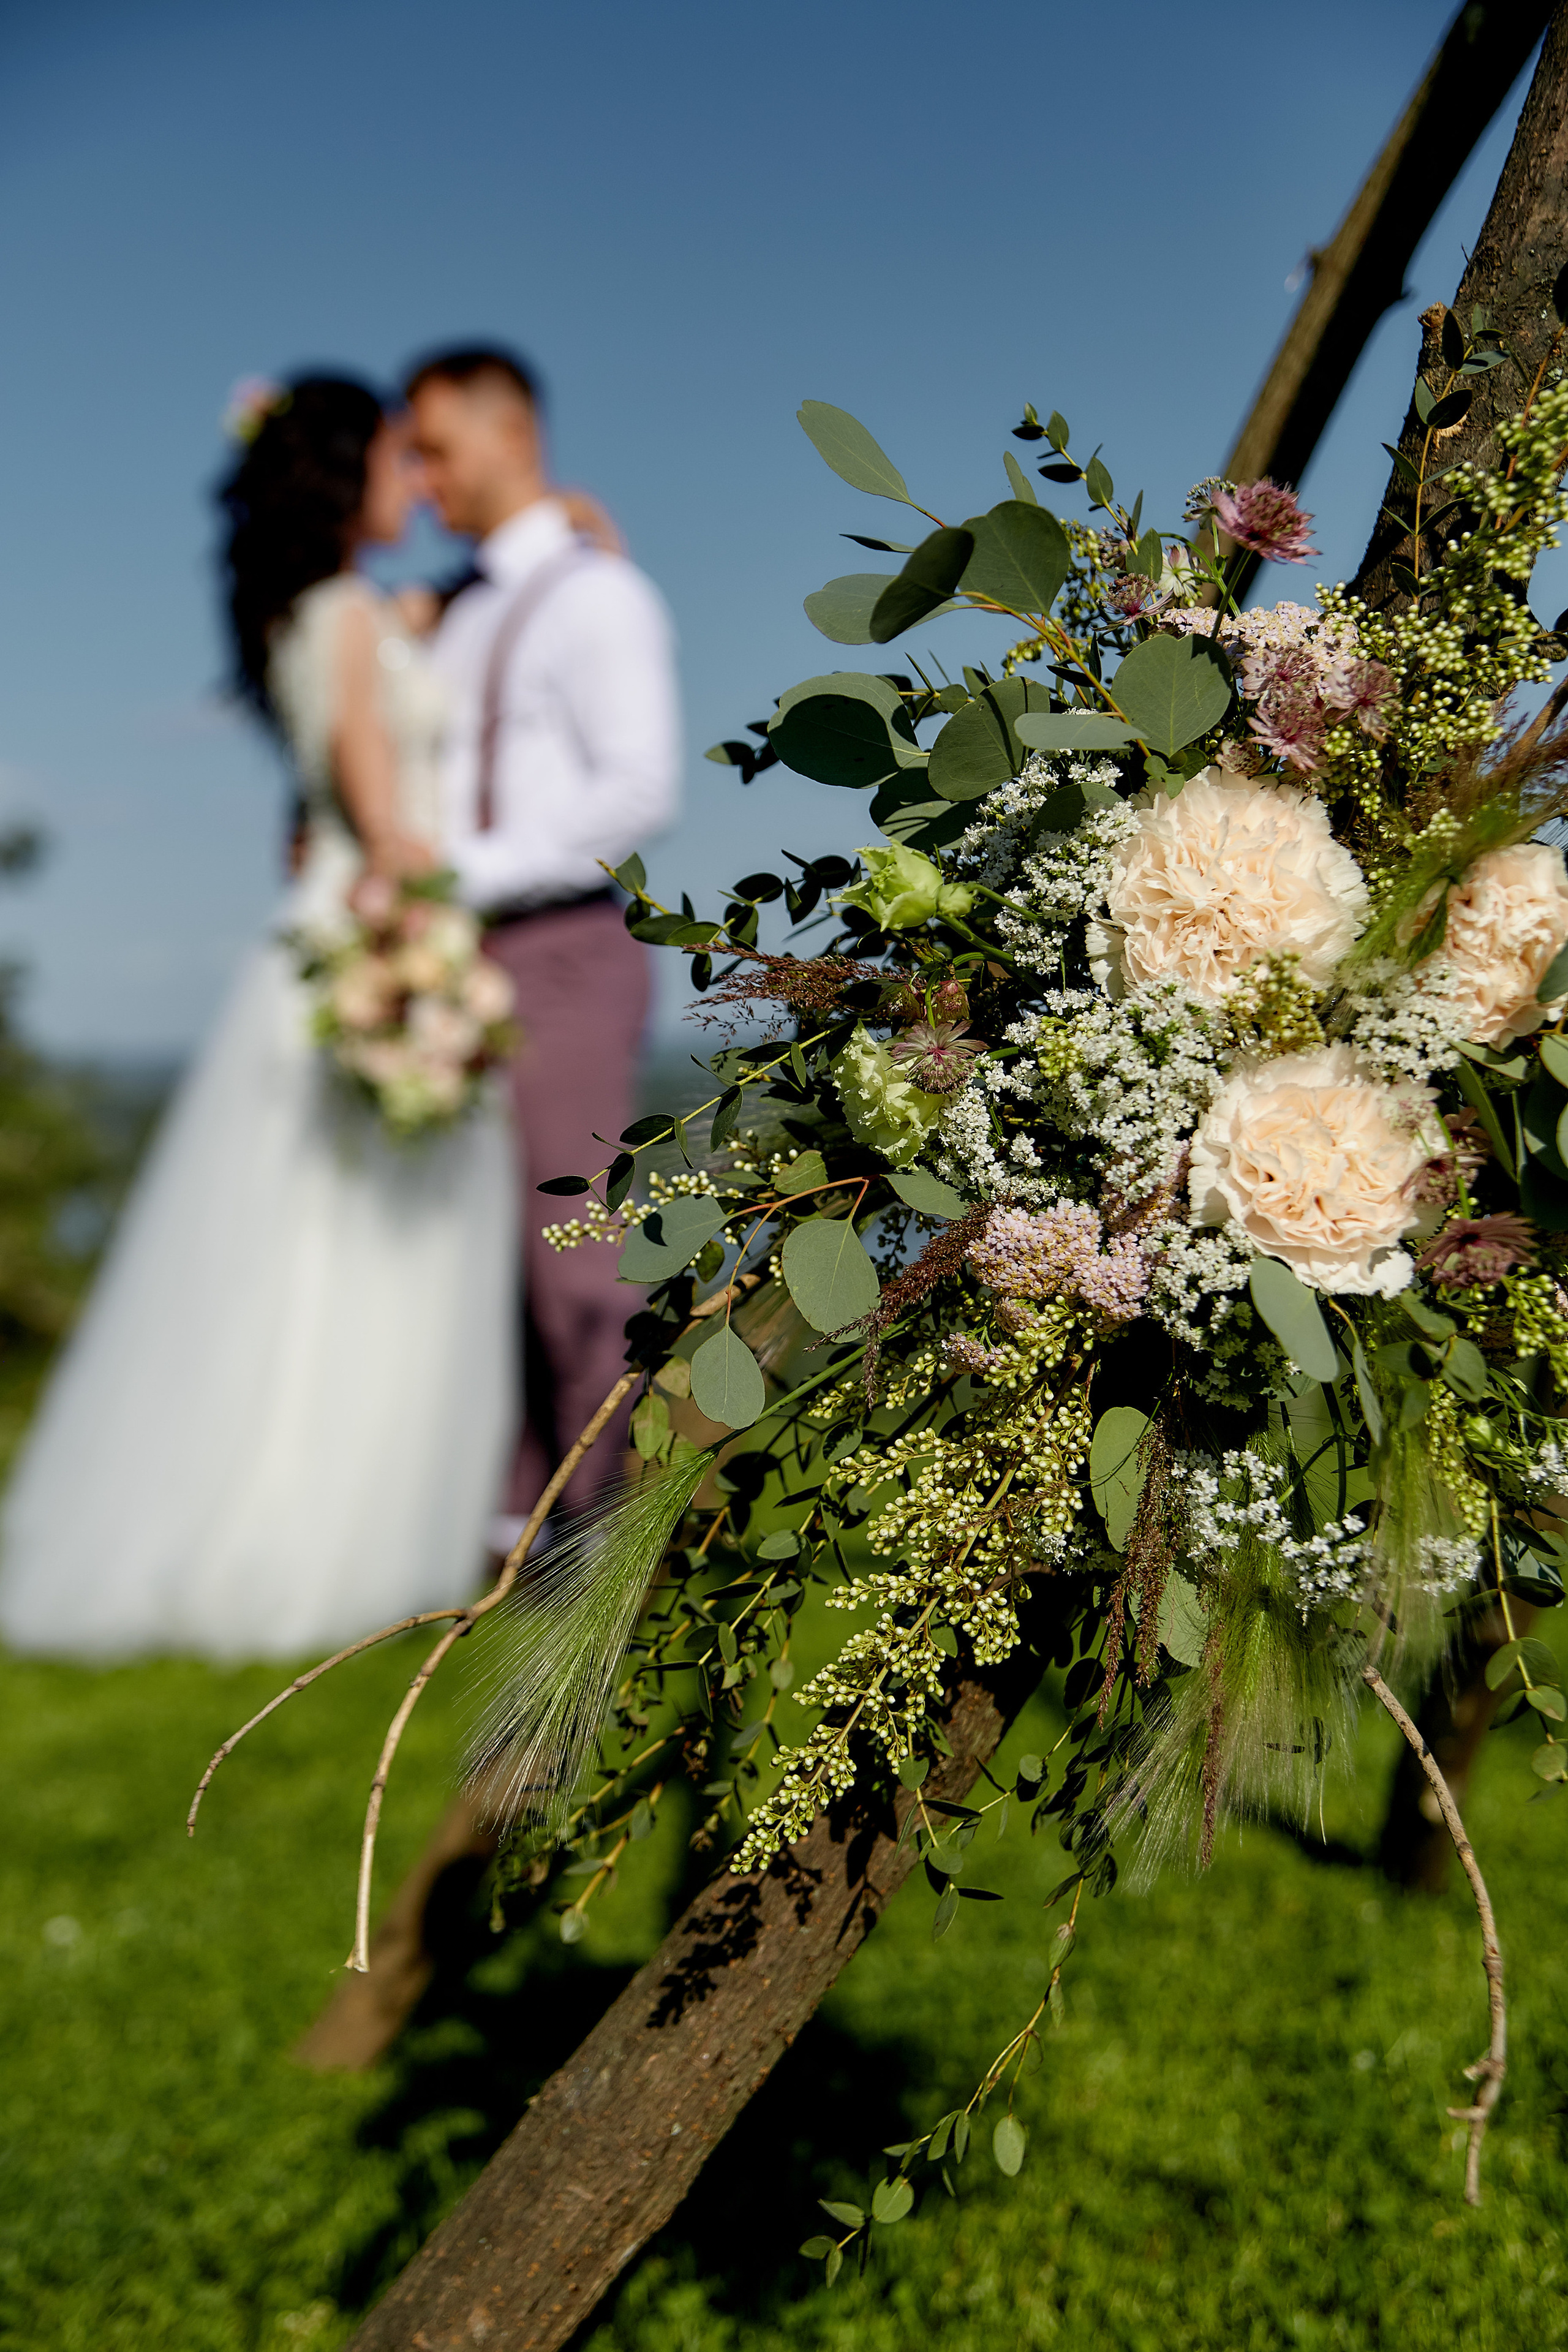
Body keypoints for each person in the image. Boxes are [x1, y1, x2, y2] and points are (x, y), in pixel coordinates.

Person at [0, 375, 519, 1660]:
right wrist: (442, 936)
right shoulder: (348, 615)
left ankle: (290, 1526)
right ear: (343, 479)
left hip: (310, 927)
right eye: (396, 465)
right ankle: (323, 1543)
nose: (414, 487)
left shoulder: (314, 612)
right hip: (375, 931)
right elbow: (388, 819)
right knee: (360, 1253)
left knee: (303, 1252)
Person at [405, 345, 681, 1537]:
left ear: (508, 436)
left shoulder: (595, 595)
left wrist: (454, 874)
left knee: (572, 1252)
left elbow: (635, 789)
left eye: (433, 450)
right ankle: (512, 1518)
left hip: (559, 946)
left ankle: (594, 1532)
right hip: (450, 959)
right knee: (473, 1254)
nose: (420, 481)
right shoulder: (450, 610)